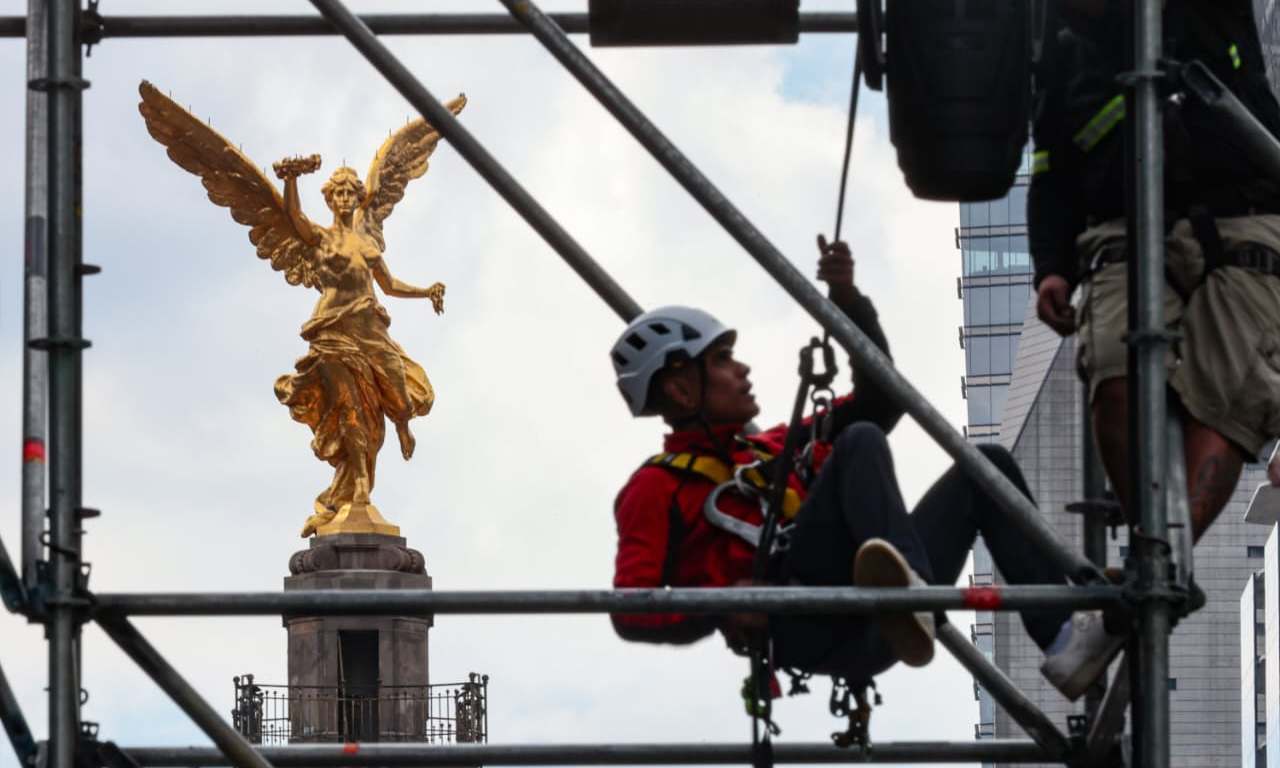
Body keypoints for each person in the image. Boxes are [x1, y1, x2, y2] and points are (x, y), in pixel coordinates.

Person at [608, 237, 1109, 697]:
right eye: (721, 360)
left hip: (870, 614)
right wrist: (722, 605)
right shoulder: (656, 487)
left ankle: (1062, 635)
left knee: (986, 467)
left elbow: (881, 400)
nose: (741, 369)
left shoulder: (774, 449)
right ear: (679, 388)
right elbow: (629, 610)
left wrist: (847, 301)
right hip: (805, 619)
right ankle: (909, 593)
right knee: (860, 440)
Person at [1030, 2, 1280, 553]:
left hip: (1244, 214)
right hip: (1122, 226)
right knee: (1115, 379)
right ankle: (1155, 552)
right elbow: (1050, 164)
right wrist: (1050, 267)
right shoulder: (1054, 34)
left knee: (1228, 393)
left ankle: (1162, 558)